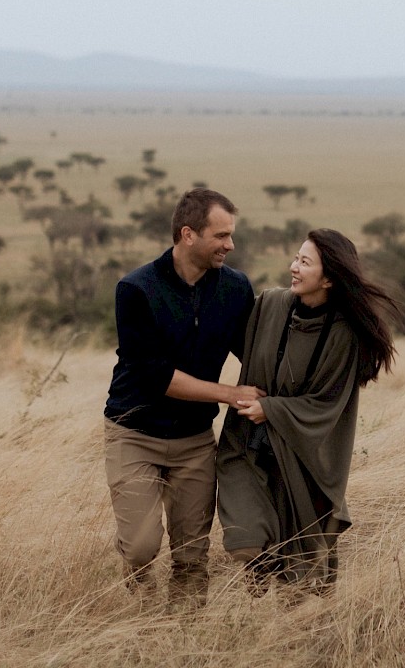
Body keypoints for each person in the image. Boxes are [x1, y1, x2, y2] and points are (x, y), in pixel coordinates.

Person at [216, 228, 400, 594]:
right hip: (248, 448)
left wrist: (271, 408)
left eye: (304, 262)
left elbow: (327, 404)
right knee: (248, 542)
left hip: (302, 460)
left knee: (302, 578)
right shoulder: (269, 305)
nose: (293, 268)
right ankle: (261, 571)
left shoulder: (345, 334)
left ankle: (288, 632)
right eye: (295, 258)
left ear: (329, 278)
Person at [104, 188, 261, 607]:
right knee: (140, 549)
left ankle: (184, 636)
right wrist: (228, 393)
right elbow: (157, 376)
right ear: (188, 234)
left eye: (231, 235)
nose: (230, 245)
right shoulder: (135, 289)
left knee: (192, 556)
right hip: (133, 434)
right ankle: (143, 620)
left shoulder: (236, 288)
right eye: (221, 235)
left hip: (195, 439)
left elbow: (256, 354)